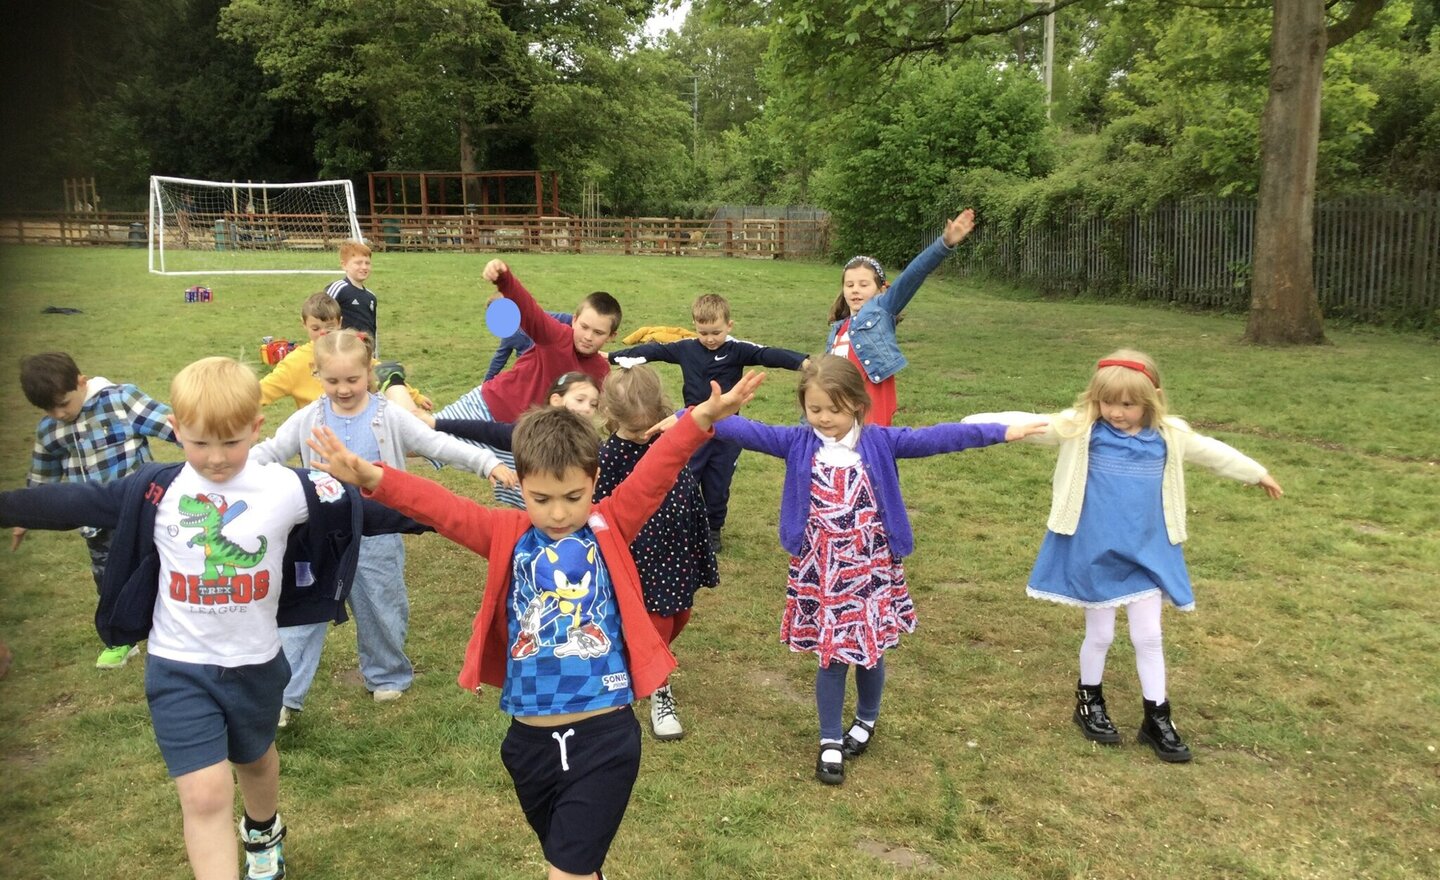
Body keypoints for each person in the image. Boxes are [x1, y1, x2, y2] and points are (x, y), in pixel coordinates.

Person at [305, 370, 766, 880]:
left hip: (603, 738)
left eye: (573, 496)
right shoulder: (504, 532)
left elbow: (657, 469)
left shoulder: (610, 524)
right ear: (520, 484)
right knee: (575, 864)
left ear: (594, 481)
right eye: (541, 499)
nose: (559, 513)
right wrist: (372, 477)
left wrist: (701, 418)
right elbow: (442, 509)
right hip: (527, 744)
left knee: (564, 873)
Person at [0, 356, 426, 880]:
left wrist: (459, 521)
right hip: (178, 667)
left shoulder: (288, 488)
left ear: (256, 427)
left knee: (256, 760)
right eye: (200, 443)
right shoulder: (154, 491)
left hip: (255, 665)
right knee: (204, 794)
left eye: (231, 442)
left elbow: (374, 512)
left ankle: (263, 831)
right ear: (176, 429)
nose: (217, 458)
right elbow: (72, 502)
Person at [696, 355, 1043, 785]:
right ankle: (829, 740)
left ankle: (866, 719)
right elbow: (737, 429)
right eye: (814, 409)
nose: (824, 418)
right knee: (831, 658)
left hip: (871, 571)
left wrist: (1003, 431)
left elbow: (941, 437)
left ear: (858, 405)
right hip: (822, 573)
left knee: (870, 652)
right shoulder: (795, 442)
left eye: (835, 409)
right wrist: (689, 416)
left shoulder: (880, 442)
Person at [965, 349, 1283, 763]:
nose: (1116, 412)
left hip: (1147, 552)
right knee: (1100, 634)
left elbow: (1212, 452)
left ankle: (1157, 717)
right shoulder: (1083, 430)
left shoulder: (1169, 436)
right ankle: (1089, 702)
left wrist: (1256, 473)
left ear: (1152, 400)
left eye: (1128, 404)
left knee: (1148, 635)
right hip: (1095, 550)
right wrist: (973, 424)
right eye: (1107, 402)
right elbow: (1031, 424)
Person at [250, 329, 516, 725]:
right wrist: (228, 474)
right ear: (317, 375)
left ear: (369, 372)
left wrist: (486, 463)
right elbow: (269, 452)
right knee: (303, 614)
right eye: (332, 380)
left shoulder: (387, 415)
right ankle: (283, 697)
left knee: (380, 603)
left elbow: (436, 444)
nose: (343, 389)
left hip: (377, 533)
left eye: (352, 379)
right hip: (320, 534)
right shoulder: (307, 419)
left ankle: (387, 674)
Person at [606, 293, 808, 552]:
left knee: (718, 484)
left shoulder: (737, 349)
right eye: (703, 333)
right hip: (692, 429)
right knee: (685, 479)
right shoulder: (686, 348)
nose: (710, 339)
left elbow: (768, 354)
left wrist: (802, 362)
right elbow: (653, 350)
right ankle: (683, 524)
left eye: (716, 332)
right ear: (694, 325)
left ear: (729, 326)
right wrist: (612, 357)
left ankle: (713, 528)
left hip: (728, 433)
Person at [16, 351, 177, 669]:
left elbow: (172, 426)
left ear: (81, 382)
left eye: (63, 404)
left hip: (141, 512)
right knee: (109, 580)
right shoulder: (50, 430)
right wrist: (22, 516)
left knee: (161, 569)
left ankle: (175, 628)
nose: (59, 414)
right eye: (49, 409)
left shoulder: (121, 400)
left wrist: (208, 445)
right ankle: (122, 640)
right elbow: (42, 477)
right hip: (95, 524)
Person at [431, 258, 620, 508]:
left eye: (598, 333)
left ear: (612, 336)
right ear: (574, 320)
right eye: (584, 327)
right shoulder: (556, 336)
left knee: (540, 503)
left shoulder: (601, 372)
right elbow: (530, 311)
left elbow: (609, 415)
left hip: (528, 438)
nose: (588, 337)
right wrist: (504, 278)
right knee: (421, 436)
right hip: (487, 405)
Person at [593, 365, 717, 740]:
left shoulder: (669, 433)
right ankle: (658, 688)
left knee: (680, 615)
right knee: (657, 621)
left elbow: (702, 423)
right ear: (611, 416)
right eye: (635, 429)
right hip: (643, 553)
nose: (643, 434)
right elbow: (602, 510)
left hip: (678, 542)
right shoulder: (609, 456)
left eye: (649, 425)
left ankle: (638, 658)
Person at [826, 209, 976, 426]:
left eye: (864, 284)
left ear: (881, 290)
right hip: (838, 419)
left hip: (869, 418)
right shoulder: (837, 330)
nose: (855, 290)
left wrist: (943, 244)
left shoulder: (882, 310)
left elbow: (913, 275)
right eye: (849, 285)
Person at [261, 291, 431, 413]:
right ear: (304, 324)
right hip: (319, 438)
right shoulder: (294, 363)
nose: (323, 333)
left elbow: (382, 373)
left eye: (329, 327)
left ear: (340, 322)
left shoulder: (350, 347)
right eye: (315, 328)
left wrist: (415, 396)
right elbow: (262, 391)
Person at [422, 372, 602, 450]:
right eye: (580, 400)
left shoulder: (593, 442)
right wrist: (437, 423)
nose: (587, 408)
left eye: (594, 404)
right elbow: (488, 431)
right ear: (556, 400)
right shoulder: (535, 431)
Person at [485, 296, 574, 381]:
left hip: (540, 369)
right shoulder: (510, 334)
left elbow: (499, 359)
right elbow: (499, 359)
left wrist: (486, 381)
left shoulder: (537, 319)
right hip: (535, 371)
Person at [326, 239, 378, 352]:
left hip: (365, 352)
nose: (364, 267)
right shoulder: (339, 288)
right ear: (344, 265)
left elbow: (373, 328)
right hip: (342, 351)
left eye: (367, 263)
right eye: (358, 263)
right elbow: (322, 315)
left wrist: (373, 352)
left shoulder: (371, 297)